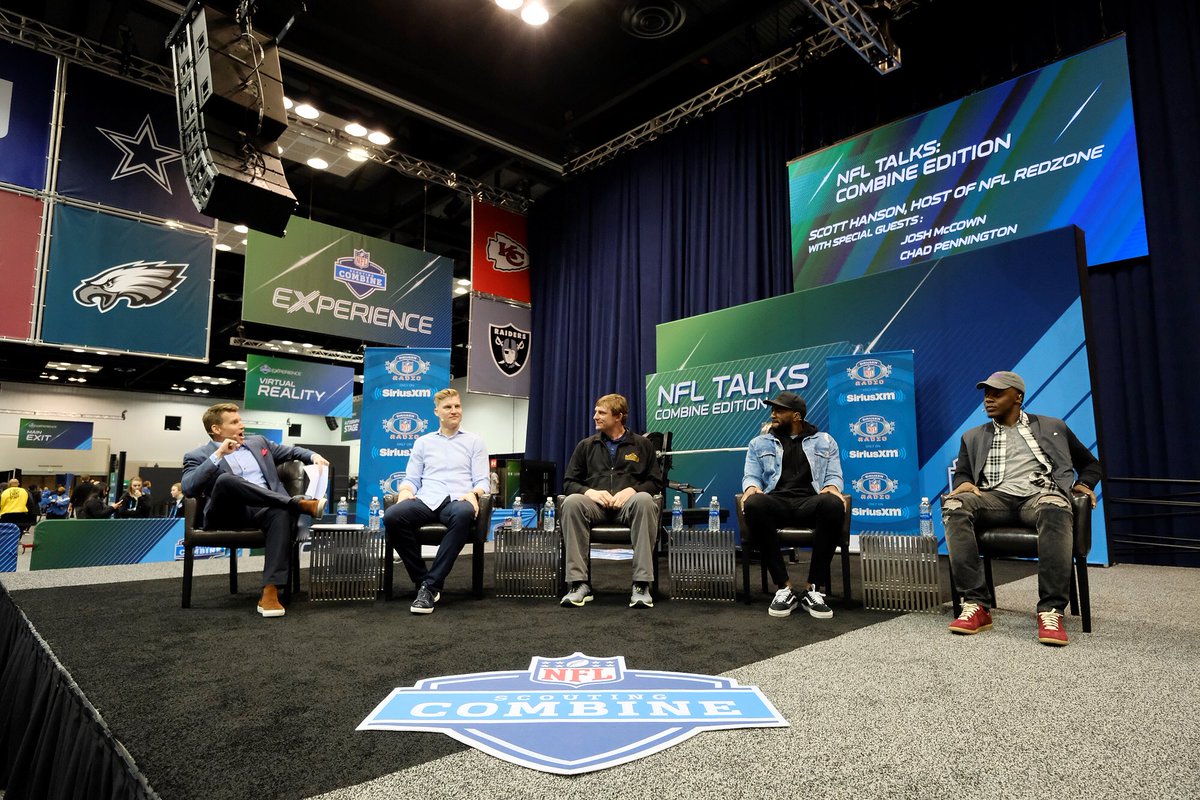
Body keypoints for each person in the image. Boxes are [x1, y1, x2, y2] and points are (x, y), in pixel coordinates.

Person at [943, 371, 1100, 647]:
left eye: (997, 394)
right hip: (995, 498)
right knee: (954, 505)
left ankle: (1051, 610)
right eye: (986, 394)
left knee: (1054, 505)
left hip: (1039, 495)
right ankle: (976, 604)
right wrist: (964, 482)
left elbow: (1090, 464)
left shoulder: (1053, 426)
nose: (988, 399)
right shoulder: (973, 436)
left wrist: (1083, 484)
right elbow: (964, 473)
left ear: (1017, 397)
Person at [182, 402, 329, 618]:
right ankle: (296, 504)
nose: (241, 425)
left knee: (280, 512)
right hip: (228, 514)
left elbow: (293, 451)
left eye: (240, 420)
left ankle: (270, 590)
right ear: (216, 429)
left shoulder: (258, 443)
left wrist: (313, 456)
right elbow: (188, 487)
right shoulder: (198, 455)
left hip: (265, 511)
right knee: (225, 480)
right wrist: (219, 454)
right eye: (234, 422)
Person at [741, 391, 847, 619]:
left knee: (832, 503)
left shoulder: (825, 441)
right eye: (773, 410)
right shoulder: (759, 443)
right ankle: (784, 588)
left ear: (797, 416)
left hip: (810, 502)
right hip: (776, 502)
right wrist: (750, 488)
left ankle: (812, 589)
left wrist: (832, 487)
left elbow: (834, 475)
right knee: (754, 503)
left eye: (779, 410)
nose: (773, 414)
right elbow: (751, 476)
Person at [382, 388, 489, 615]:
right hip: (427, 498)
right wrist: (404, 492)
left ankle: (430, 587)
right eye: (448, 407)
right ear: (437, 412)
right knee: (392, 516)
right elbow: (411, 479)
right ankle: (423, 580)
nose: (454, 411)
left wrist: (475, 493)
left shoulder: (475, 441)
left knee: (464, 513)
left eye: (457, 406)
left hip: (458, 498)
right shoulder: (423, 442)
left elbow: (482, 480)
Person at [559, 393, 663, 609]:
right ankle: (579, 584)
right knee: (572, 502)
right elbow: (569, 483)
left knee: (644, 500)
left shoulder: (642, 445)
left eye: (601, 413)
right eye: (595, 412)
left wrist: (633, 490)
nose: (595, 416)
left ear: (618, 417)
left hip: (629, 507)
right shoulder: (586, 446)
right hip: (596, 507)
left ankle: (641, 584)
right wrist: (589, 492)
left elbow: (655, 482)